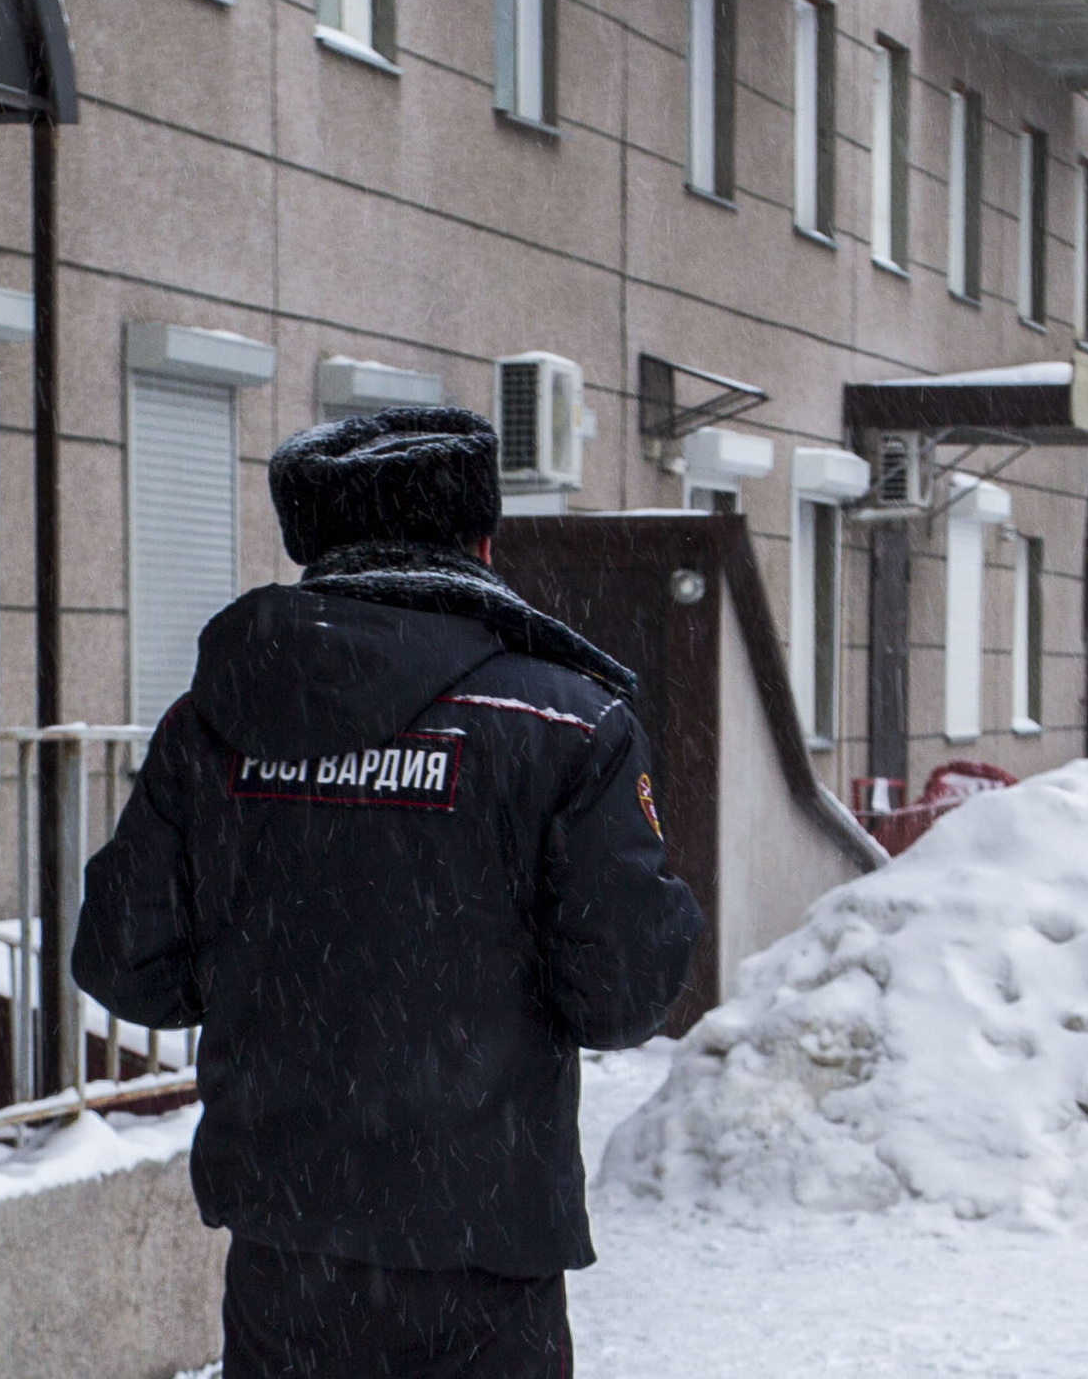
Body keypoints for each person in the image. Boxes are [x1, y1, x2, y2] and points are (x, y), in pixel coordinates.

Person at [73, 406, 704, 1379]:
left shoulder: (216, 719)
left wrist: (272, 969)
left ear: (311, 546)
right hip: (485, 1244)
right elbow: (620, 995)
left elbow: (126, 964)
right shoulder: (563, 722)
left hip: (289, 1247)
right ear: (483, 541)